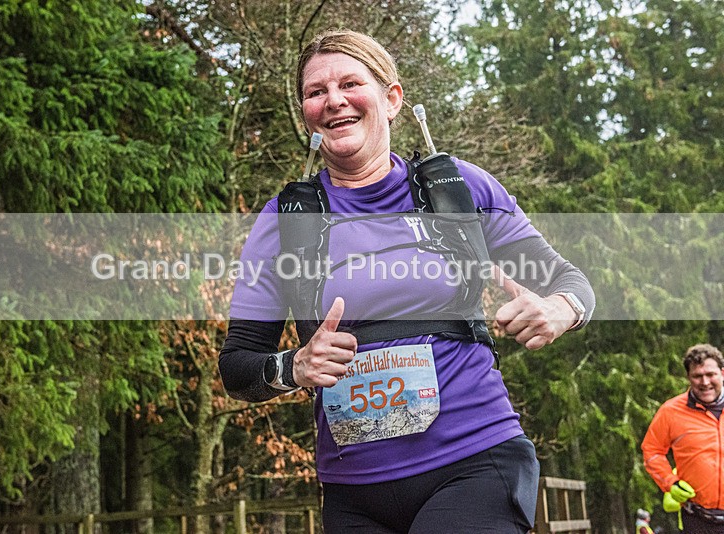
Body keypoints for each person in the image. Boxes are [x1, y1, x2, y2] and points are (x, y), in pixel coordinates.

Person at [218, 29, 595, 533]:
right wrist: (295, 365)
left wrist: (560, 308)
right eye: (315, 92)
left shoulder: (456, 188)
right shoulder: (284, 221)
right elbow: (238, 366)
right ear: (306, 112)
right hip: (352, 492)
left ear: (392, 99)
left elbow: (569, 280)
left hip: (474, 460)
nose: (334, 101)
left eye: (351, 83)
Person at [642, 343, 724, 533]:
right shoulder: (671, 412)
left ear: (722, 373)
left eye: (710, 375)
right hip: (697, 519)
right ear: (689, 377)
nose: (705, 382)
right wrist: (670, 482)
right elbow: (652, 450)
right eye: (697, 376)